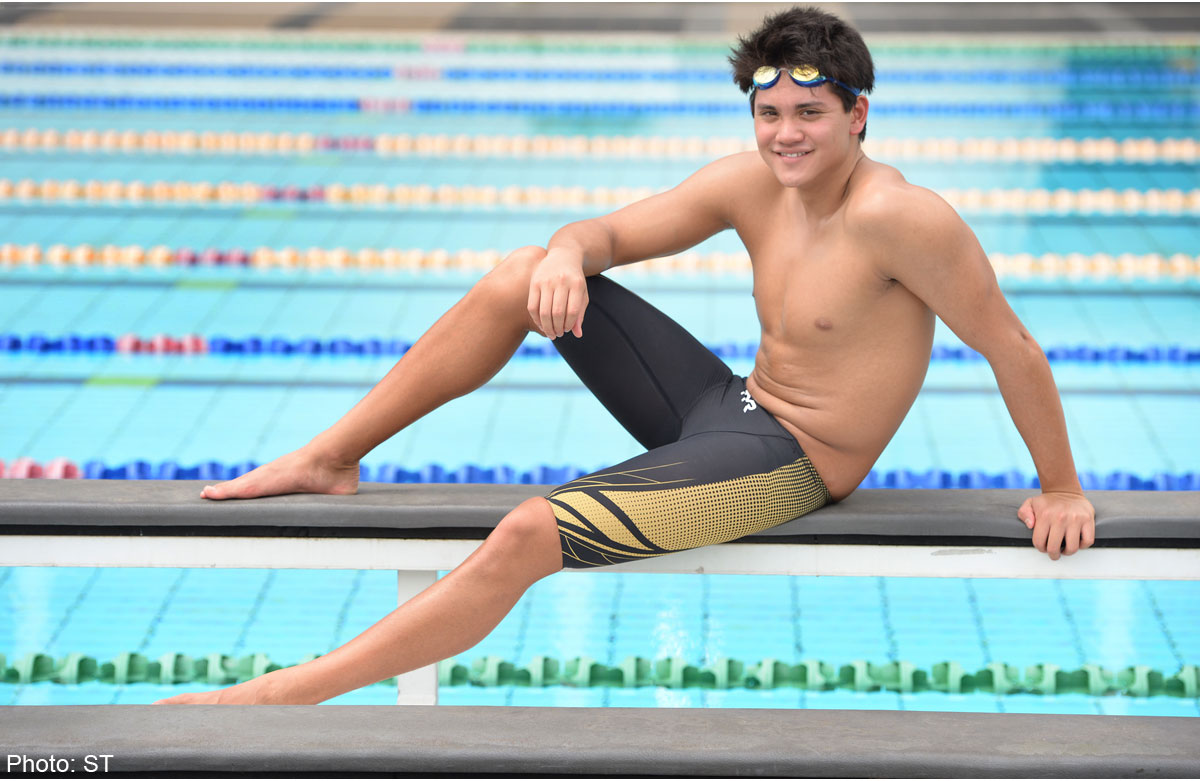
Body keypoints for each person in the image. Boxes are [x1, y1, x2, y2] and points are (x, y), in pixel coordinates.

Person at [157, 6, 1095, 706]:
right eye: (770, 113)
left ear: (858, 116)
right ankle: (330, 456)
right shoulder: (752, 184)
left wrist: (1059, 486)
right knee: (522, 272)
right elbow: (601, 232)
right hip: (730, 407)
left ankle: (276, 696)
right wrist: (566, 255)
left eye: (809, 113)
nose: (786, 135)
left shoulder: (900, 217)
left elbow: (1012, 347)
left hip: (798, 461)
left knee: (528, 532)